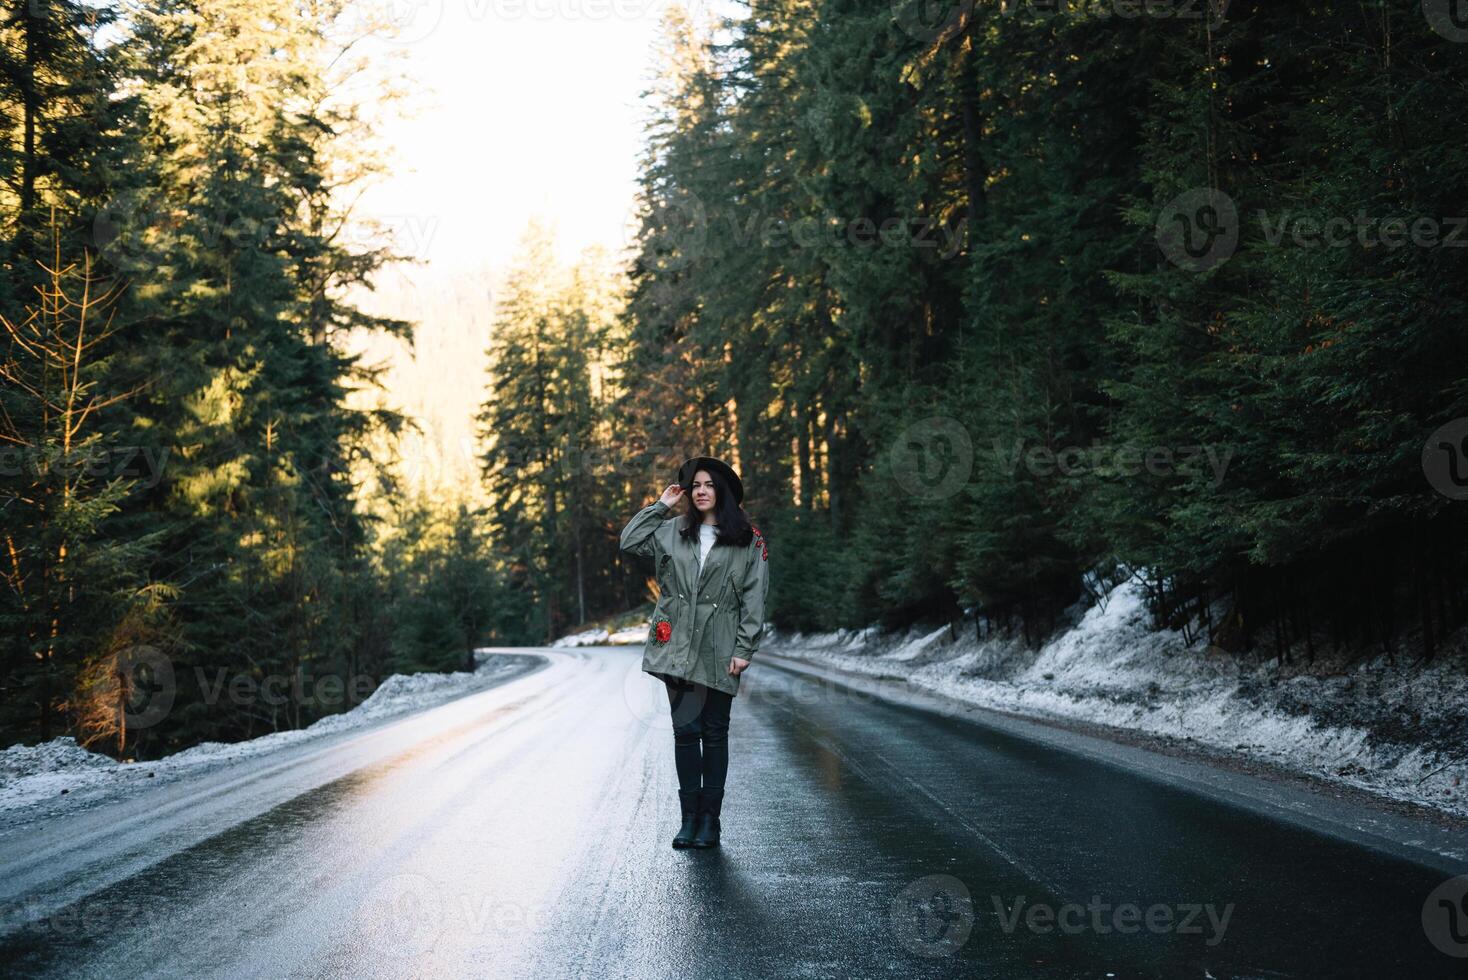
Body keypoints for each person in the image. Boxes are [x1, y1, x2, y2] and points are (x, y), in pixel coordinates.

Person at [618, 455, 770, 849]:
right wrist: (661, 505)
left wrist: (745, 646)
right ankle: (688, 820)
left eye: (709, 485)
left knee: (715, 734)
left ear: (723, 491)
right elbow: (629, 541)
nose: (701, 491)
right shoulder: (672, 531)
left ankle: (710, 822)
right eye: (695, 486)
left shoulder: (749, 540)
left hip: (721, 647)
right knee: (686, 733)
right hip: (677, 648)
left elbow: (755, 596)